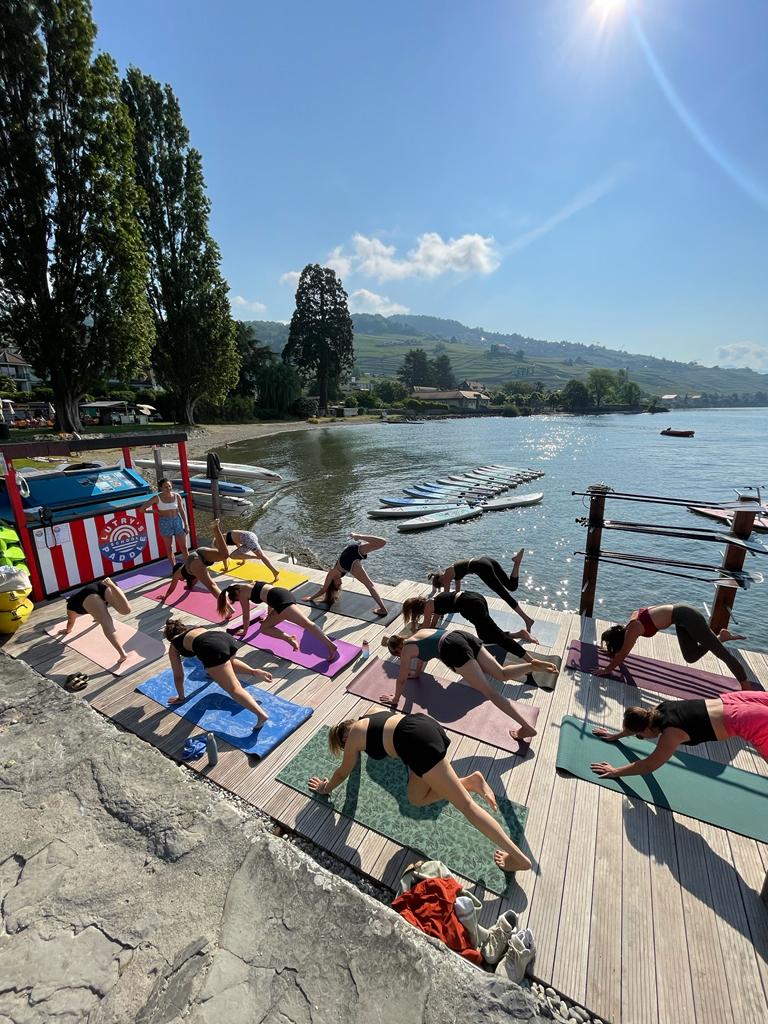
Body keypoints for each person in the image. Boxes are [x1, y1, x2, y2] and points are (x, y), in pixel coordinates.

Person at [308, 711, 531, 873]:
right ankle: (470, 782)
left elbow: (343, 773)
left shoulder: (355, 737)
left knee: (467, 807)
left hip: (416, 744)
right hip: (421, 724)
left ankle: (519, 860)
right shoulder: (369, 716)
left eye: (345, 747)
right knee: (416, 798)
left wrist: (325, 788)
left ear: (345, 740)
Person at [381, 629, 549, 741]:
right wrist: (417, 674)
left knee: (490, 693)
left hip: (452, 648)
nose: (401, 657)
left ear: (398, 650)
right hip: (461, 636)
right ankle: (531, 665)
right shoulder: (419, 633)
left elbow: (401, 678)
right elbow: (423, 656)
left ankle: (526, 727)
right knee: (501, 674)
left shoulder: (406, 650)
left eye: (398, 655)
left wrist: (395, 699)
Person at [590, 692, 768, 778]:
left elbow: (648, 765)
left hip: (749, 721)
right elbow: (638, 720)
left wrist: (615, 771)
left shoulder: (671, 734)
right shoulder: (660, 708)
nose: (641, 738)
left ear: (644, 731)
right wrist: (615, 736)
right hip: (739, 702)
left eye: (639, 736)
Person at [402, 591, 558, 675]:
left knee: (498, 637)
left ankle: (530, 661)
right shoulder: (434, 601)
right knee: (487, 635)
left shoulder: (429, 606)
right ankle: (519, 634)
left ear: (416, 609)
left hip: (470, 606)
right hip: (475, 598)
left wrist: (410, 639)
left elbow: (426, 631)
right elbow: (433, 625)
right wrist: (424, 626)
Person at [599, 603, 749, 688]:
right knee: (690, 657)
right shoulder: (632, 620)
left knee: (722, 654)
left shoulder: (632, 630)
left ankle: (745, 685)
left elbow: (623, 654)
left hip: (688, 616)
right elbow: (640, 611)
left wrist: (607, 669)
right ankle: (721, 637)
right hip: (680, 620)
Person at [163, 617, 273, 726]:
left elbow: (178, 676)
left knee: (234, 688)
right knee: (226, 663)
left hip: (211, 648)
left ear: (170, 638)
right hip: (225, 638)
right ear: (183, 628)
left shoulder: (174, 646)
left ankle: (261, 715)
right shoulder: (195, 629)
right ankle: (254, 671)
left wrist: (181, 697)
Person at [216, 581, 338, 661]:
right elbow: (268, 596)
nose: (239, 600)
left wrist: (245, 631)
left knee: (307, 624)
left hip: (281, 602)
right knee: (264, 627)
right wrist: (270, 615)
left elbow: (246, 615)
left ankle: (330, 646)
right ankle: (289, 638)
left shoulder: (241, 593)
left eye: (237, 599)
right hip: (282, 594)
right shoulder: (248, 584)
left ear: (237, 593)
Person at [428, 551, 534, 632]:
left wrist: (439, 614)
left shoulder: (446, 575)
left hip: (482, 567)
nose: (444, 585)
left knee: (504, 595)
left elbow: (445, 598)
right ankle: (517, 563)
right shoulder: (452, 570)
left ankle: (527, 620)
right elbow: (456, 592)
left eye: (441, 585)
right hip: (487, 560)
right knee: (511, 586)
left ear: (440, 579)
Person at [307, 533, 388, 616]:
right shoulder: (340, 573)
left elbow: (323, 589)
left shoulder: (331, 573)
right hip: (352, 552)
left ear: (333, 583)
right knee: (382, 542)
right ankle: (359, 536)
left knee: (370, 585)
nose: (341, 584)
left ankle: (383, 609)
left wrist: (311, 598)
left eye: (338, 585)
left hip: (349, 557)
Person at [59, 578, 132, 665]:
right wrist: (97, 618)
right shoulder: (79, 599)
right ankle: (113, 586)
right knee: (125, 611)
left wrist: (67, 630)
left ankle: (122, 654)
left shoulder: (71, 606)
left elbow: (71, 622)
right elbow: (98, 607)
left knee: (106, 622)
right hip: (102, 585)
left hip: (89, 595)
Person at [160, 519, 229, 602]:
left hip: (194, 559)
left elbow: (171, 588)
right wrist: (189, 587)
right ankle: (216, 528)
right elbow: (189, 586)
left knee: (211, 586)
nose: (181, 580)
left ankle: (228, 608)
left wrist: (165, 597)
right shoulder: (189, 576)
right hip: (200, 552)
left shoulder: (177, 574)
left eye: (180, 580)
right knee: (224, 555)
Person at [142, 479, 189, 564]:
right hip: (165, 522)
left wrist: (186, 524)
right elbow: (142, 509)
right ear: (161, 488)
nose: (168, 488)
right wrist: (154, 511)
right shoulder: (157, 498)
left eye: (169, 486)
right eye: (165, 487)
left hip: (177, 521)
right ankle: (174, 569)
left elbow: (182, 510)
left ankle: (189, 568)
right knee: (169, 548)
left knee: (184, 547)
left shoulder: (177, 496)